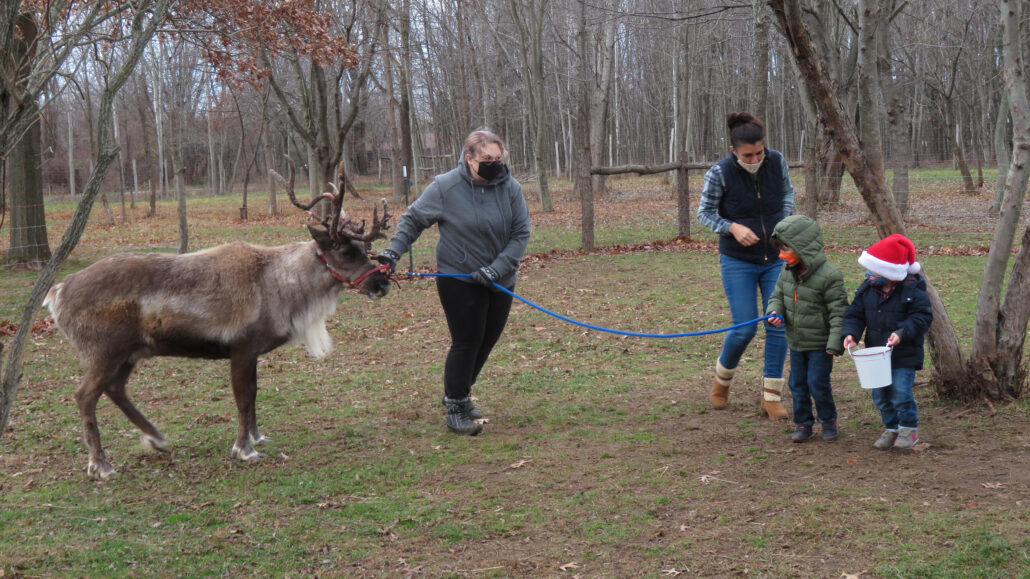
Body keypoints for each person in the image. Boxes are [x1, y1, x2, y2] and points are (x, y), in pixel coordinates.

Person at [377, 129, 531, 436]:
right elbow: (413, 219)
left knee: (487, 340)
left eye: (498, 158)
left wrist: (497, 268)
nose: (494, 163)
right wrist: (393, 252)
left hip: (500, 278)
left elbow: (520, 234)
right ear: (469, 158)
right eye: (487, 158)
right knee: (467, 341)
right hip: (459, 277)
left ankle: (457, 391)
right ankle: (457, 406)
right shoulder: (446, 186)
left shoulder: (510, 187)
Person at [698, 112, 794, 419]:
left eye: (759, 153)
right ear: (734, 152)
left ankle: (771, 397)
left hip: (775, 259)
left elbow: (787, 195)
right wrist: (732, 228)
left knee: (777, 324)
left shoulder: (777, 163)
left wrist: (786, 223)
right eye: (747, 155)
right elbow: (705, 214)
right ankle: (721, 382)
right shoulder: (719, 173)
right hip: (737, 261)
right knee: (745, 327)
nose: (754, 159)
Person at [842, 234, 933, 450]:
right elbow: (854, 314)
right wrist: (851, 333)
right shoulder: (867, 290)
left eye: (874, 271)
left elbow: (922, 318)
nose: (869, 275)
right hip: (875, 355)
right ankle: (891, 427)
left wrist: (902, 333)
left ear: (891, 273)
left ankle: (908, 428)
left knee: (901, 391)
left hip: (904, 354)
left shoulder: (914, 292)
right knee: (880, 395)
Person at [765, 215, 849, 443]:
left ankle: (828, 420)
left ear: (803, 247)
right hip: (797, 341)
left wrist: (834, 343)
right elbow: (777, 296)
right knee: (797, 384)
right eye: (780, 250)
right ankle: (803, 423)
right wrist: (775, 312)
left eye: (786, 249)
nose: (781, 256)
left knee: (817, 383)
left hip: (821, 344)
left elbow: (839, 312)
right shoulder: (786, 272)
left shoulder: (830, 276)